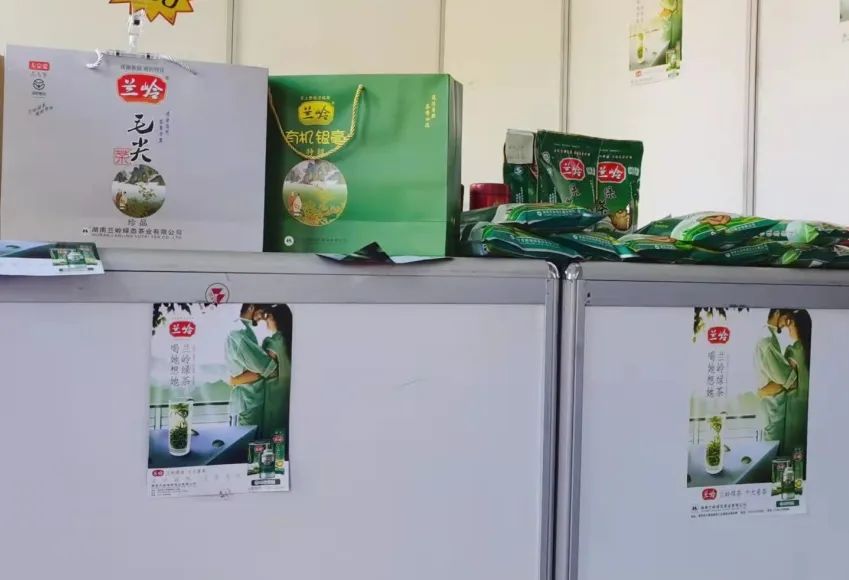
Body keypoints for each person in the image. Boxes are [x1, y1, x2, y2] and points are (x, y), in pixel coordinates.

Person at [226, 304, 278, 433]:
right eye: (261, 312)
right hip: (248, 401)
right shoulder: (240, 333)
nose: (261, 318)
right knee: (247, 441)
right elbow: (266, 367)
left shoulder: (241, 329)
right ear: (251, 307)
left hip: (249, 399)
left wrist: (236, 380)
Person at [755, 309, 797, 454]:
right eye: (787, 319)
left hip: (770, 407)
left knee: (772, 454)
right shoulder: (767, 340)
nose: (786, 325)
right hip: (773, 410)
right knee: (774, 455)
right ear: (778, 313)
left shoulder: (767, 335)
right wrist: (792, 366)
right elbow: (788, 379)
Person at [259, 304, 293, 441]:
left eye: (268, 317)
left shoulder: (272, 343)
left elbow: (264, 369)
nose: (266, 320)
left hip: (274, 396)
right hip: (288, 395)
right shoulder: (291, 340)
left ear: (277, 319)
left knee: (273, 435)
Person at [782, 310, 811, 458]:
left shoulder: (793, 350)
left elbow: (788, 381)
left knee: (793, 449)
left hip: (796, 406)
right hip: (809, 405)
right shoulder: (811, 348)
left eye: (790, 323)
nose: (788, 327)